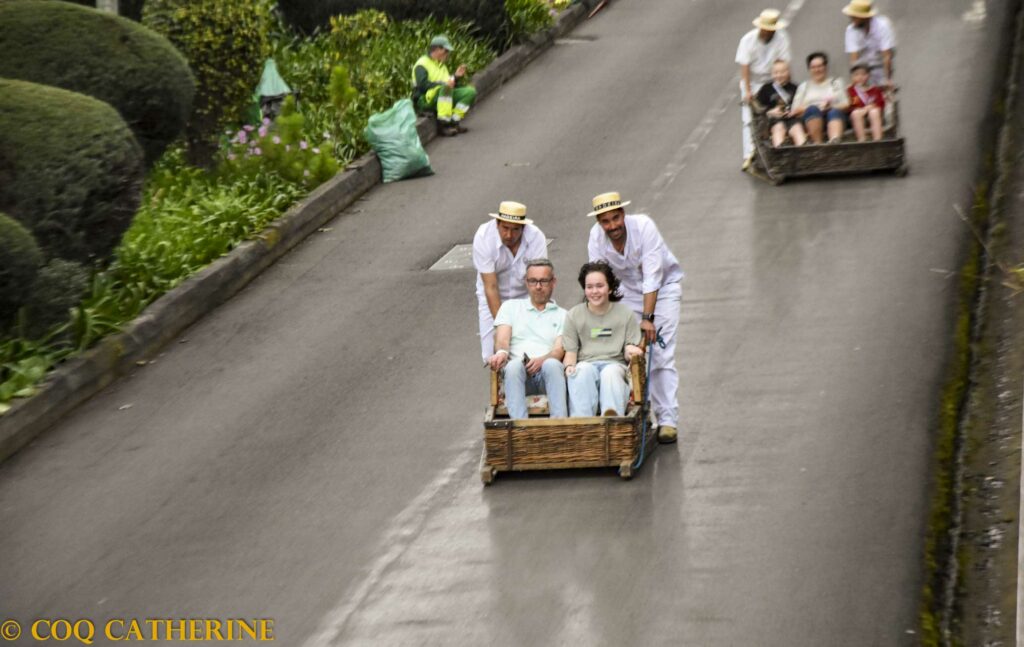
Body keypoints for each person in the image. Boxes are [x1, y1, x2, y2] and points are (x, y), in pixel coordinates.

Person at [586, 192, 683, 443]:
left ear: (623, 214)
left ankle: (667, 420)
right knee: (629, 353)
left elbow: (653, 276)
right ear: (598, 222)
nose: (612, 226)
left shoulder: (644, 227)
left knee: (660, 354)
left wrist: (648, 318)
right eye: (605, 221)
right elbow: (598, 278)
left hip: (663, 290)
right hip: (627, 293)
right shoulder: (596, 237)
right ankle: (641, 414)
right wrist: (598, 317)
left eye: (615, 218)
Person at [487, 259, 568, 419]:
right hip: (519, 377)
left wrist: (541, 361)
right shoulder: (510, 307)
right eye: (533, 281)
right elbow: (502, 340)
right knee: (513, 365)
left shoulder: (564, 315)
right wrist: (501, 353)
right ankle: (519, 426)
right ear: (526, 282)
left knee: (552, 364)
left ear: (553, 282)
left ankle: (559, 424)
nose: (538, 286)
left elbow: (559, 350)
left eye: (543, 281)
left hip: (547, 376)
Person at [562, 262, 644, 419]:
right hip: (587, 363)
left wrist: (632, 351)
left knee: (610, 373)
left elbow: (629, 348)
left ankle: (611, 419)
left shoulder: (625, 314)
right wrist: (569, 367)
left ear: (610, 288)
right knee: (581, 371)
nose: (594, 291)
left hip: (615, 364)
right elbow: (571, 352)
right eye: (589, 287)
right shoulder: (574, 315)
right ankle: (582, 423)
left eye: (599, 286)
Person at [473, 201, 548, 363]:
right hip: (493, 296)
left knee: (533, 348)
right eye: (505, 228)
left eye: (515, 230)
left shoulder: (536, 238)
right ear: (497, 223)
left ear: (523, 228)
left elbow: (539, 282)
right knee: (492, 355)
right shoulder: (483, 237)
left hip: (526, 296)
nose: (509, 235)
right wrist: (503, 326)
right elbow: (491, 287)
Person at [736, 8, 792, 166]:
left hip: (773, 80)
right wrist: (748, 91)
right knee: (749, 118)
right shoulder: (748, 40)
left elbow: (785, 63)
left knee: (777, 112)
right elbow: (745, 67)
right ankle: (749, 153)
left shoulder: (782, 37)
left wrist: (786, 85)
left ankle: (775, 148)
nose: (769, 32)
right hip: (754, 81)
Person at [411, 35, 478, 137]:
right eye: (446, 51)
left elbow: (448, 83)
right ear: (438, 49)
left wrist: (456, 77)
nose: (448, 54)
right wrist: (444, 85)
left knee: (470, 92)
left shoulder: (442, 65)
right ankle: (444, 125)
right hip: (425, 99)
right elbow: (422, 85)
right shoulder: (422, 64)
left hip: (441, 94)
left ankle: (454, 122)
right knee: (445, 89)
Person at [790, 52, 849, 144]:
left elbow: (846, 104)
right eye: (813, 67)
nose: (817, 70)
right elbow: (795, 110)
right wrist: (818, 108)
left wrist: (830, 107)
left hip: (834, 116)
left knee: (834, 111)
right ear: (809, 69)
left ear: (825, 67)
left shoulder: (836, 83)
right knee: (813, 109)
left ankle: (834, 141)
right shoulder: (804, 86)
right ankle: (818, 143)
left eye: (820, 66)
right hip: (811, 118)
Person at [843, 0, 896, 89]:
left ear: (864, 17)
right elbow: (854, 58)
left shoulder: (882, 26)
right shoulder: (851, 29)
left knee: (884, 92)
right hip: (863, 68)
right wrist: (855, 80)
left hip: (880, 65)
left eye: (854, 17)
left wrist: (888, 79)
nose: (851, 19)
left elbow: (887, 56)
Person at [755, 59, 807, 147]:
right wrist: (769, 112)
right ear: (772, 74)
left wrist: (795, 111)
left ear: (788, 72)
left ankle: (804, 149)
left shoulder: (795, 88)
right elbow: (758, 108)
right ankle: (780, 149)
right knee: (778, 128)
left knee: (797, 129)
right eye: (776, 72)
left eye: (782, 72)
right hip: (774, 119)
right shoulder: (766, 89)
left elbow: (803, 105)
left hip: (792, 118)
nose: (779, 75)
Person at [847, 62, 886, 142]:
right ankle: (862, 140)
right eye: (856, 75)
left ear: (868, 75)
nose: (860, 77)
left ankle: (878, 140)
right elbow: (853, 105)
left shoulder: (875, 90)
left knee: (874, 112)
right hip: (858, 115)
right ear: (852, 77)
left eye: (863, 74)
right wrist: (864, 109)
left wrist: (869, 108)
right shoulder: (852, 90)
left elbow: (880, 103)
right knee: (856, 113)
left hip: (873, 115)